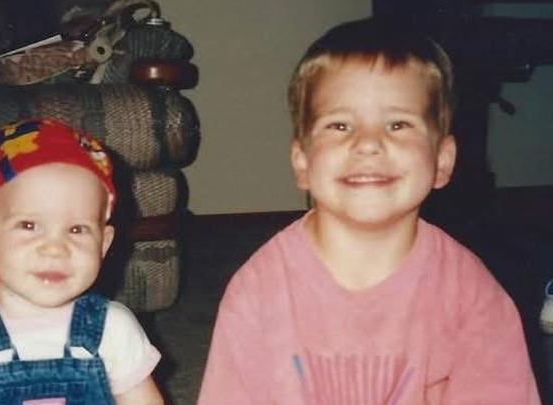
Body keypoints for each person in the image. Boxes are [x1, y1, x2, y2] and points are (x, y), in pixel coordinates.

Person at [197, 17, 541, 405]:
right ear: (302, 162)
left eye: (398, 124)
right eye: (340, 125)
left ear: (442, 160)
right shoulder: (257, 292)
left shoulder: (473, 297)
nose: (368, 143)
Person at [0, 118, 165, 405]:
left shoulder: (113, 328)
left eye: (77, 229)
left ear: (103, 244)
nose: (55, 249)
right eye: (29, 225)